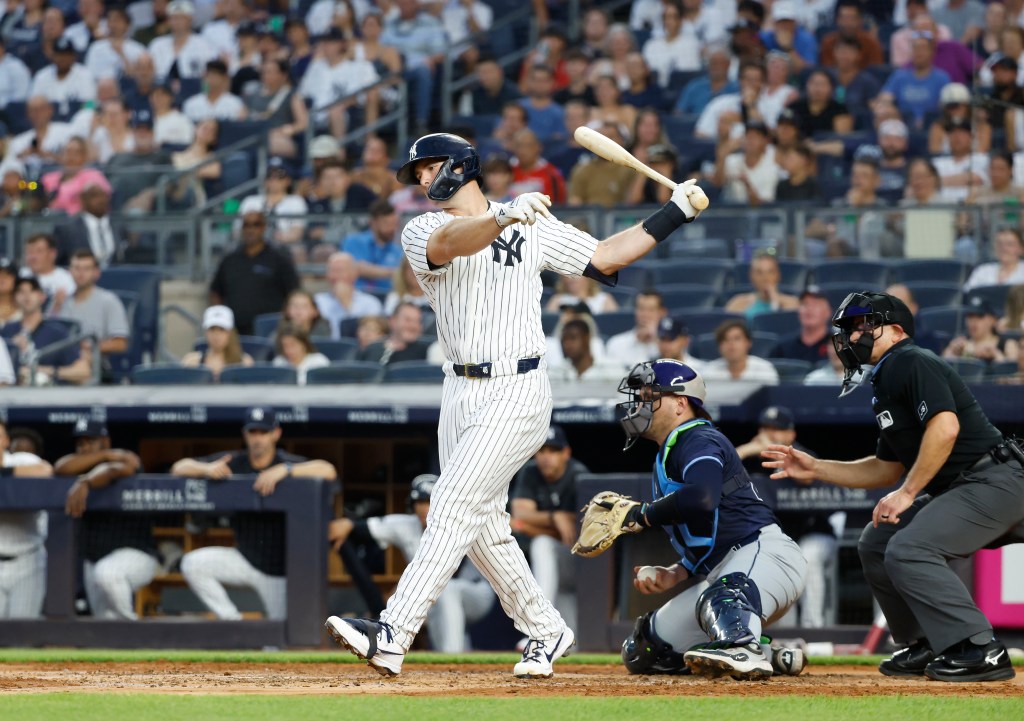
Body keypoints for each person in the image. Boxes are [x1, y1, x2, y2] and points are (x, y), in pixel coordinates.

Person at [324, 131, 709, 678]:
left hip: (518, 387)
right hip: (458, 390)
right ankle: (546, 630)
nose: (425, 181)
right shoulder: (424, 228)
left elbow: (602, 256)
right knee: (482, 526)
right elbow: (454, 243)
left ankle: (393, 631)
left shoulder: (530, 222)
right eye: (419, 175)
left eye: (431, 169)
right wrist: (504, 218)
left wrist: (673, 211)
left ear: (462, 165)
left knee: (452, 504)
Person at [764, 291, 1023, 682]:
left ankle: (979, 648)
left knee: (910, 547)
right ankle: (925, 642)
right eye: (849, 329)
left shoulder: (909, 359)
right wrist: (816, 467)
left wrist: (907, 493)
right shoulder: (886, 376)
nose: (852, 337)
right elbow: (886, 469)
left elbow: (945, 427)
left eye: (862, 326)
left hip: (995, 478)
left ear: (896, 329)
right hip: (973, 484)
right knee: (879, 541)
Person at [606, 360, 806, 677]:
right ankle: (768, 653)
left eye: (650, 396)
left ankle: (744, 647)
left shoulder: (697, 438)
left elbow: (703, 497)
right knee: (647, 651)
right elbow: (709, 529)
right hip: (725, 569)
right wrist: (677, 572)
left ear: (681, 403)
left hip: (764, 556)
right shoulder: (668, 452)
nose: (641, 405)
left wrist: (643, 515)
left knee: (723, 599)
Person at [173, 406, 337, 620]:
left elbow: (328, 470)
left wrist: (286, 470)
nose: (258, 438)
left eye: (263, 432)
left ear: (276, 433)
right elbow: (179, 467)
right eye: (253, 432)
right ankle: (232, 621)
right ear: (245, 434)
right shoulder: (233, 462)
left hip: (280, 571)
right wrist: (205, 469)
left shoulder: (286, 462)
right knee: (193, 563)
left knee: (281, 642)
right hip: (245, 558)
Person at [329, 474, 496, 653]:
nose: (425, 508)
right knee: (427, 600)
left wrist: (401, 591)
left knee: (445, 590)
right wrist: (348, 523)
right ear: (412, 505)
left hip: (476, 593)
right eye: (421, 502)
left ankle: (452, 656)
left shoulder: (463, 523)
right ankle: (452, 658)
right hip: (434, 596)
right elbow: (359, 528)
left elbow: (446, 574)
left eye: (431, 501)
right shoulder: (407, 525)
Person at [736, 406, 837, 628]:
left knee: (808, 557)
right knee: (770, 564)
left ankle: (814, 631)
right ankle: (787, 634)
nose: (771, 435)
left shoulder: (801, 455)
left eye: (778, 430)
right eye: (766, 429)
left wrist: (774, 452)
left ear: (791, 435)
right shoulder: (753, 460)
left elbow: (806, 479)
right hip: (778, 536)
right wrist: (746, 449)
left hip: (815, 532)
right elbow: (721, 470)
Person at [57, 418, 157, 620]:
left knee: (109, 573)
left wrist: (85, 482)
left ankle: (132, 629)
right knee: (102, 619)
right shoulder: (78, 466)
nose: (84, 447)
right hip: (94, 557)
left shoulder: (123, 458)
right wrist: (101, 456)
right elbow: (60, 467)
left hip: (136, 553)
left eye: (90, 441)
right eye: (80, 443)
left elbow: (119, 467)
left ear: (105, 440)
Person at [511, 425, 588, 631]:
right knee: (570, 641)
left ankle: (538, 623)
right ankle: (543, 629)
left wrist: (533, 525)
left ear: (566, 453)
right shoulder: (530, 471)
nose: (546, 457)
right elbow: (518, 516)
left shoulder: (578, 474)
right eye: (542, 451)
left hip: (581, 563)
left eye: (553, 451)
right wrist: (556, 518)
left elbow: (577, 532)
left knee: (543, 544)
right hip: (555, 573)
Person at [209, 210, 300, 335]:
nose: (250, 229)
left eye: (256, 224)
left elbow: (294, 293)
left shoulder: (279, 259)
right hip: (235, 332)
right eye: (246, 225)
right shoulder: (230, 259)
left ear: (264, 227)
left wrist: (284, 322)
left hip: (271, 331)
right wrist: (220, 320)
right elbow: (215, 292)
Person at [0, 417, 54, 618]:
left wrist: (4, 472)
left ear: (6, 440)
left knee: (23, 632)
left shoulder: (22, 460)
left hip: (27, 558)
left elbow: (46, 470)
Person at [2, 273, 92, 386]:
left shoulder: (56, 331)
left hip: (49, 395)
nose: (26, 296)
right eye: (21, 291)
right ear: (14, 298)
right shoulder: (7, 330)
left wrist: (39, 370)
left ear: (42, 296)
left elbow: (83, 371)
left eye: (32, 291)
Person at [59, 250, 130, 360]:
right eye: (77, 268)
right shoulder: (62, 302)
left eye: (86, 269)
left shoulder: (109, 301)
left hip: (96, 364)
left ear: (96, 273)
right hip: (61, 361)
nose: (81, 273)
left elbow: (120, 344)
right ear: (69, 272)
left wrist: (88, 347)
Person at [314, 251, 384, 338]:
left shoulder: (370, 303)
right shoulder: (317, 301)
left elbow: (373, 336)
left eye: (339, 271)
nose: (335, 276)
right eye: (332, 271)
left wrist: (347, 304)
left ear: (354, 274)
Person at [343, 199, 403, 295]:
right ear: (373, 222)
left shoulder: (397, 250)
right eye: (387, 223)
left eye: (395, 224)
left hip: (387, 297)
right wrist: (392, 273)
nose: (392, 228)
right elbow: (356, 268)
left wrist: (370, 269)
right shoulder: (354, 241)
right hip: (356, 295)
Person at [180, 305, 255, 380]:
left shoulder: (244, 362)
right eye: (212, 329)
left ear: (230, 333)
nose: (216, 335)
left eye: (222, 329)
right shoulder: (192, 362)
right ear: (206, 332)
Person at [942, 296, 1019, 365]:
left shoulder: (1008, 344)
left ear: (993, 320)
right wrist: (952, 352)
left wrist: (996, 354)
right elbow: (942, 369)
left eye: (980, 316)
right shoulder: (958, 344)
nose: (973, 321)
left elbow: (1013, 373)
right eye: (970, 316)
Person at [702, 319, 780, 384]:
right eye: (725, 339)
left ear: (748, 343)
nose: (731, 344)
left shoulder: (765, 370)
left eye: (737, 338)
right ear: (719, 346)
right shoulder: (709, 372)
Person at [724, 252, 799, 319]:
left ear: (778, 275)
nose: (765, 278)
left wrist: (775, 302)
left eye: (770, 272)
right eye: (759, 273)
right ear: (751, 276)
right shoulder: (738, 303)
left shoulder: (792, 304)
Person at [548, 318, 625, 382]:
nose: (567, 344)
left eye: (573, 338)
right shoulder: (556, 372)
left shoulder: (610, 369)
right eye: (564, 340)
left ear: (587, 338)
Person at [771, 286, 833, 364]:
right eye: (805, 304)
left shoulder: (838, 345)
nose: (809, 308)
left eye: (816, 304)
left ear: (828, 312)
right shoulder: (782, 348)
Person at [604, 291, 667, 367]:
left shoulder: (670, 344)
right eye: (641, 309)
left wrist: (656, 339)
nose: (645, 315)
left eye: (651, 310)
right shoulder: (616, 344)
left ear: (662, 313)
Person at [356, 302, 430, 365]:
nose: (413, 326)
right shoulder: (373, 350)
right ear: (393, 321)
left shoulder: (427, 352)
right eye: (408, 320)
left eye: (418, 321)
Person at [21, 234, 75, 313]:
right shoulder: (19, 276)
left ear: (52, 254)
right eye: (29, 252)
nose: (33, 257)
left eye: (39, 251)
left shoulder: (67, 279)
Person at [963, 228, 1024, 292]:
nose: (1003, 248)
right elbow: (967, 294)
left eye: (1009, 244)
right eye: (999, 243)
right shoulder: (982, 270)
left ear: (1021, 249)